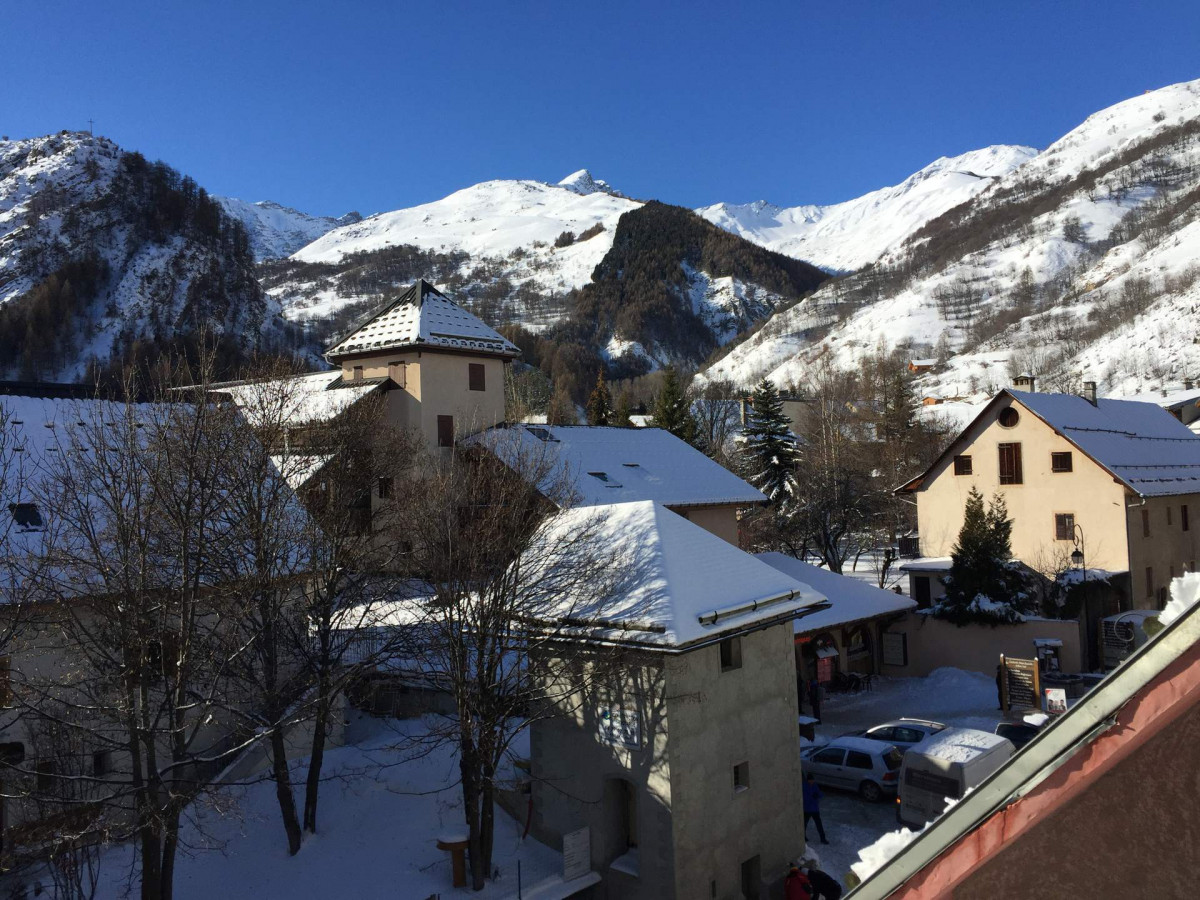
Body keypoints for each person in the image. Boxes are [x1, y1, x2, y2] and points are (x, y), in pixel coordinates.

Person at [802, 773, 829, 844]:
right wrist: (813, 797)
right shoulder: (804, 786)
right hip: (807, 809)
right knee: (804, 824)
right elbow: (805, 798)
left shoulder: (815, 785)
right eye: (810, 780)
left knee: (819, 824)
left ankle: (823, 838)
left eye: (812, 780)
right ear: (807, 780)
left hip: (815, 809)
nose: (812, 782)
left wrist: (818, 795)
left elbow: (820, 793)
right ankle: (803, 837)